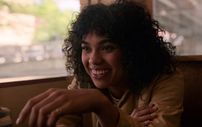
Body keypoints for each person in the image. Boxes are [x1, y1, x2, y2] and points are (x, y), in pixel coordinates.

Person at [16, 1, 184, 127]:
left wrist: (102, 106)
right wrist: (130, 121)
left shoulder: (166, 80)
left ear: (134, 50)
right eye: (86, 49)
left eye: (107, 47)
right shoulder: (83, 80)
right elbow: (62, 122)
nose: (94, 60)